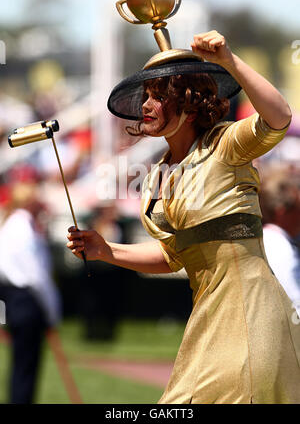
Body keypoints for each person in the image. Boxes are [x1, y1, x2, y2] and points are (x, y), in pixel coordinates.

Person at [67, 30, 300, 404]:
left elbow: (279, 117)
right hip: (207, 318)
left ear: (190, 105)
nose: (146, 104)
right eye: (146, 96)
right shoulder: (154, 179)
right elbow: (172, 256)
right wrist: (106, 250)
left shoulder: (226, 145)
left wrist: (228, 60)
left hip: (252, 316)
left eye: (159, 96)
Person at [0, 165, 61, 404]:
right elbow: (37, 275)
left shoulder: (12, 223)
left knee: (21, 366)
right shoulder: (23, 225)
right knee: (26, 367)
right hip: (27, 301)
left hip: (15, 301)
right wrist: (52, 310)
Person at [260, 171, 300, 318]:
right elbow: (296, 306)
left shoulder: (267, 239)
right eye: (297, 207)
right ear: (281, 212)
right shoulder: (279, 247)